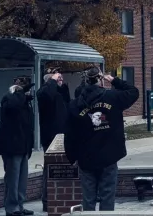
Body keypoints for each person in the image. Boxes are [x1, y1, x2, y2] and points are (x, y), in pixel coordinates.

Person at [64, 66, 139, 211]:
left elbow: (70, 134)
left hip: (86, 158)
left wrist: (72, 157)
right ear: (100, 80)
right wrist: (114, 80)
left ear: (86, 81)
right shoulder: (112, 97)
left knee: (88, 198)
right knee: (107, 196)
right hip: (109, 156)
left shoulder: (75, 105)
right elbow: (133, 92)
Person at [0, 77, 35, 216]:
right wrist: (19, 93)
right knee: (12, 179)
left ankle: (19, 204)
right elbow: (12, 107)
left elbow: (28, 126)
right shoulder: (9, 98)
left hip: (23, 146)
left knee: (22, 179)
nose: (28, 92)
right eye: (25, 89)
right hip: (12, 146)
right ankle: (12, 207)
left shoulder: (24, 103)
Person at [37, 69, 70, 211]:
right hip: (50, 137)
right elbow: (48, 95)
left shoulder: (57, 93)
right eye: (56, 79)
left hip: (63, 135)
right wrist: (52, 80)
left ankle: (62, 197)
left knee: (64, 168)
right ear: (48, 82)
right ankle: (47, 200)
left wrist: (62, 85)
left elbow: (67, 102)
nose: (59, 80)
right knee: (50, 168)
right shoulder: (43, 93)